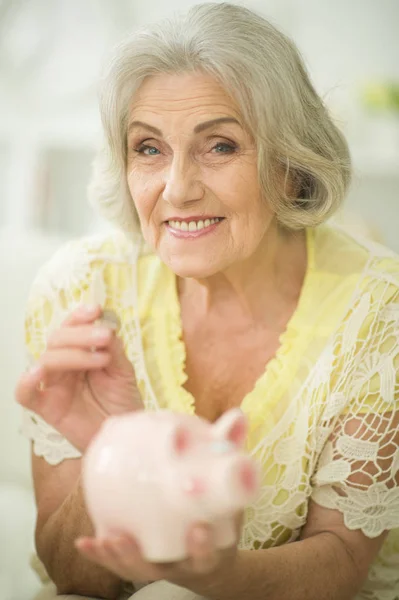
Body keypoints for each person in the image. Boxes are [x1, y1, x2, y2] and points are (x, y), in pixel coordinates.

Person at [15, 3, 399, 600]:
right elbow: (73, 576)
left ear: (290, 163)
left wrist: (218, 579)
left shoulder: (379, 313)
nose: (178, 189)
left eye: (219, 146)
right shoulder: (79, 291)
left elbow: (344, 558)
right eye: (148, 149)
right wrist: (119, 445)